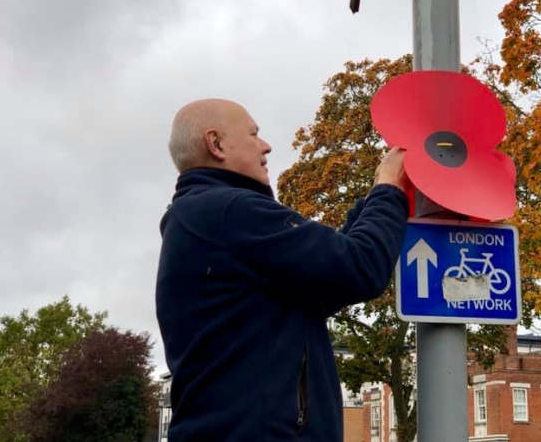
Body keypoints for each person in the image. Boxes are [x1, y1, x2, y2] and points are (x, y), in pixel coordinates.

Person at [155, 98, 410, 441]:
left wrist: (381, 193)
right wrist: (390, 188)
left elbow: (332, 278)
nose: (266, 146)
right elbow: (360, 266)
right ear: (216, 144)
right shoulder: (232, 211)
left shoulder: (205, 220)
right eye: (253, 134)